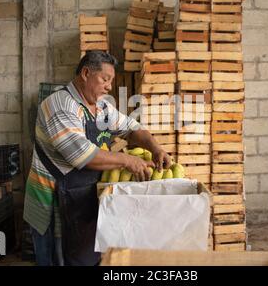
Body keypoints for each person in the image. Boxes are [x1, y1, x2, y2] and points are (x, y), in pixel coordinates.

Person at [23, 51, 172, 266]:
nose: (109, 86)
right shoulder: (60, 105)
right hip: (53, 197)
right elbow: (83, 156)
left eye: (111, 80)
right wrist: (129, 161)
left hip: (82, 194)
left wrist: (155, 148)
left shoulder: (101, 107)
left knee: (86, 255)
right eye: (105, 79)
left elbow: (131, 128)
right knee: (58, 258)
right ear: (85, 73)